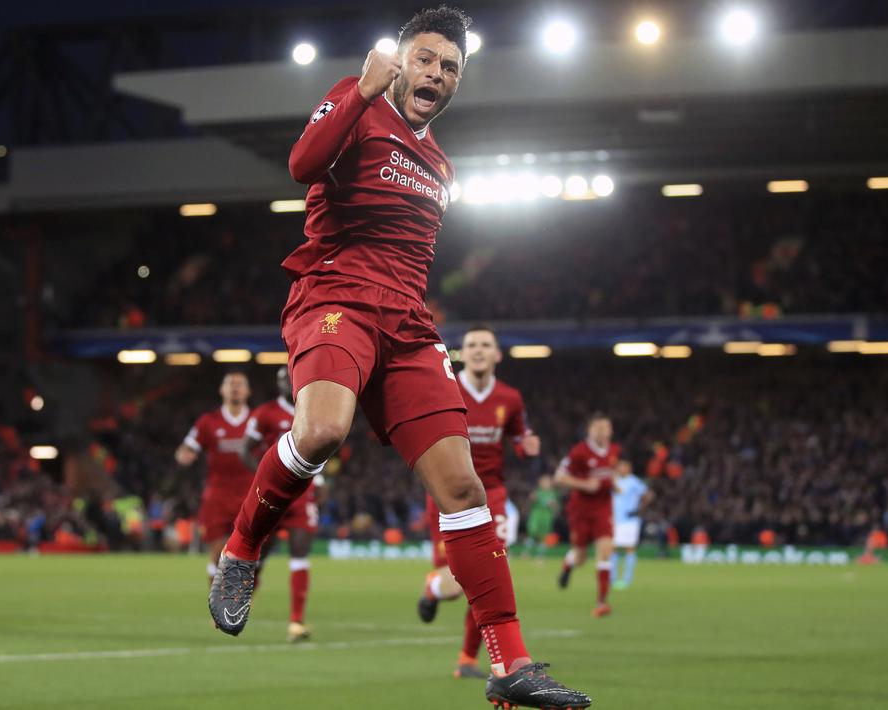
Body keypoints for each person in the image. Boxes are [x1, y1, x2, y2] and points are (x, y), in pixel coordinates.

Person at [207, 7, 590, 707]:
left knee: (463, 490)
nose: (435, 75)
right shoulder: (354, 104)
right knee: (321, 430)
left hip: (408, 326)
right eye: (425, 60)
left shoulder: (440, 163)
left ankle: (509, 664)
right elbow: (300, 165)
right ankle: (240, 550)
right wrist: (358, 89)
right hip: (335, 297)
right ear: (400, 61)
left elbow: (409, 259)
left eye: (449, 68)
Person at [416, 325, 540, 680]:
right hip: (446, 493)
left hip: (492, 497)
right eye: (472, 345)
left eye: (486, 344)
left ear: (498, 354)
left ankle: (467, 659)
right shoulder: (445, 388)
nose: (479, 350)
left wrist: (525, 446)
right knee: (456, 586)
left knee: (488, 577)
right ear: (461, 353)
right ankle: (432, 587)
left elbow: (519, 435)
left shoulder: (510, 398)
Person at [242, 367, 320, 643]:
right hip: (273, 495)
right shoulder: (265, 413)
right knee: (260, 554)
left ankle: (296, 621)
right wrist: (266, 478)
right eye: (283, 379)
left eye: (290, 377)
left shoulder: (314, 409)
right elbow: (245, 450)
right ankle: (241, 605)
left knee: (300, 551)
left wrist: (319, 479)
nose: (287, 383)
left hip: (302, 495)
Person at [175, 371, 254, 586]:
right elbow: (187, 447)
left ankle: (241, 598)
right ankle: (217, 603)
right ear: (222, 390)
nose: (235, 388)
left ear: (248, 391)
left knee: (248, 551)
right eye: (230, 384)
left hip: (249, 494)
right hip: (217, 495)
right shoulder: (208, 422)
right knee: (218, 550)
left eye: (240, 384)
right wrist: (185, 454)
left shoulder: (257, 420)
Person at [554, 413, 618, 618]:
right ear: (590, 431)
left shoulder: (614, 451)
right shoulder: (579, 452)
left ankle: (602, 602)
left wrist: (614, 485)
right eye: (598, 428)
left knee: (606, 551)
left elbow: (608, 474)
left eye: (606, 428)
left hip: (603, 508)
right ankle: (568, 564)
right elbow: (560, 477)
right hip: (580, 510)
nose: (603, 432)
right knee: (581, 557)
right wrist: (585, 485)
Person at [610, 460, 652, 590]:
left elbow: (648, 495)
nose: (621, 469)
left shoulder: (634, 481)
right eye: (619, 467)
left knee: (629, 548)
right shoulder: (613, 481)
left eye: (624, 467)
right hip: (615, 520)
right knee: (612, 548)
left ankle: (627, 579)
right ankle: (613, 578)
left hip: (629, 521)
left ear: (629, 469)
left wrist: (639, 510)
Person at [525, 475, 560, 557]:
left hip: (546, 518)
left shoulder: (553, 494)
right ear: (540, 483)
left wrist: (553, 505)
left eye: (548, 482)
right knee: (532, 534)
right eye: (544, 482)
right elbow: (529, 504)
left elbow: (557, 508)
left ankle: (540, 555)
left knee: (544, 537)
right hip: (536, 517)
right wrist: (531, 499)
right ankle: (526, 552)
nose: (546, 484)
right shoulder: (537, 492)